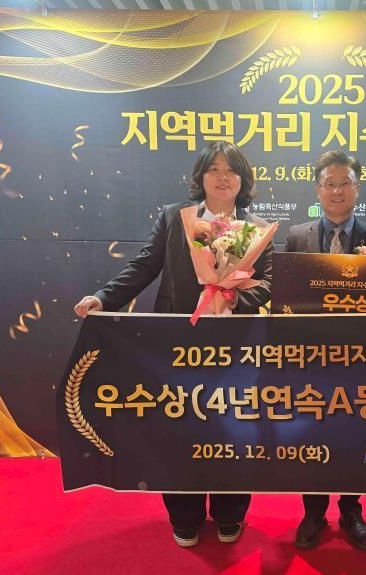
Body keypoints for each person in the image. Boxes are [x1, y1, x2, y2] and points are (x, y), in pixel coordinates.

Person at [74, 141, 272, 548]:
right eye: (214, 169)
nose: (222, 177)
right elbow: (144, 266)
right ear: (201, 177)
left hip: (236, 347)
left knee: (233, 427)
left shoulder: (258, 227)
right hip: (176, 343)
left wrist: (235, 298)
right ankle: (184, 515)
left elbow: (270, 281)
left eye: (231, 170)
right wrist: (104, 298)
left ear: (243, 180)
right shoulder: (174, 218)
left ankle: (230, 512)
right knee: (177, 428)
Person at [284, 149, 366, 551]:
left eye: (344, 182)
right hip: (310, 358)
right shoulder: (297, 236)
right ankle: (313, 512)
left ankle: (351, 510)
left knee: (356, 433)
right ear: (318, 190)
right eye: (329, 183)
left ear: (357, 188)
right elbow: (287, 297)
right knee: (310, 431)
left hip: (362, 358)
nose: (336, 190)